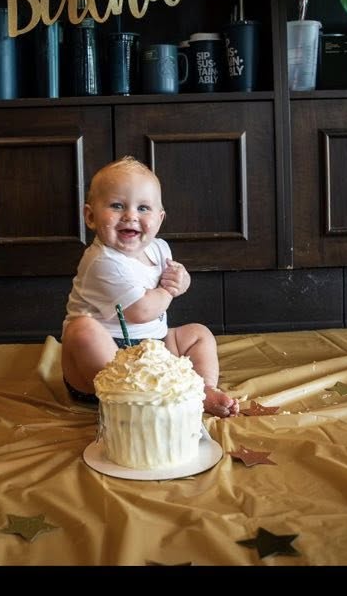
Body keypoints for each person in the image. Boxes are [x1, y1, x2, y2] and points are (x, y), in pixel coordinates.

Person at [61, 155, 240, 416]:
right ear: (90, 216)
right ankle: (133, 400)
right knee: (82, 330)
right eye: (116, 205)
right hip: (101, 363)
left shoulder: (159, 249)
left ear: (160, 217)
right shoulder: (102, 261)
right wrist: (168, 290)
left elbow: (175, 279)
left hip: (151, 347)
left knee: (198, 334)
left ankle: (200, 390)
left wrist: (182, 280)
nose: (131, 216)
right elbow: (141, 311)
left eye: (143, 208)